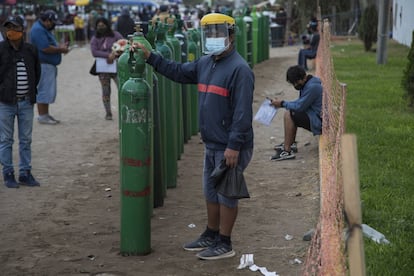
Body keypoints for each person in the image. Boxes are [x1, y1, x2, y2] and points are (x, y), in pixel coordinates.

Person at [132, 13, 254, 260]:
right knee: (210, 191)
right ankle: (211, 233)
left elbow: (242, 113)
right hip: (211, 143)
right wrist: (152, 58)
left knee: (227, 194)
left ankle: (225, 242)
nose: (213, 38)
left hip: (229, 146)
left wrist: (234, 146)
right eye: (209, 33)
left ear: (231, 36)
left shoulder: (240, 69)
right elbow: (178, 72)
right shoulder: (206, 63)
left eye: (217, 33)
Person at [0, 16, 41, 188]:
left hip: (26, 102)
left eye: (15, 28)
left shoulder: (30, 50)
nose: (11, 32)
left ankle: (25, 173)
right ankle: (8, 173)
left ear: (22, 30)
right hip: (5, 102)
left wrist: (30, 91)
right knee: (6, 140)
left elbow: (36, 73)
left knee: (26, 140)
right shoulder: (1, 49)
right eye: (8, 28)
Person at [269, 65, 322, 161]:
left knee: (289, 114)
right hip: (314, 115)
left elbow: (299, 106)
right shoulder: (308, 84)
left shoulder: (312, 87)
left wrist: (282, 103)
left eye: (296, 82)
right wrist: (283, 103)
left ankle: (287, 150)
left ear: (303, 78)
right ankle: (290, 143)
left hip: (319, 121)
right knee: (291, 112)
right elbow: (299, 103)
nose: (295, 86)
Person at [30, 10, 69, 125]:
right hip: (44, 64)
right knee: (43, 89)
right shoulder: (38, 30)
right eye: (52, 22)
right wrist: (60, 49)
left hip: (48, 64)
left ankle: (45, 114)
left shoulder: (42, 29)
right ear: (47, 21)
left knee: (47, 90)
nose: (53, 25)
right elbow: (45, 48)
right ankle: (42, 116)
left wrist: (59, 47)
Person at [90, 17, 123, 120]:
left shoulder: (116, 35)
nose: (101, 28)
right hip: (103, 69)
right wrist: (108, 55)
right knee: (106, 91)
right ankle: (108, 113)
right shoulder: (95, 38)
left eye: (103, 25)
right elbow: (94, 52)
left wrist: (115, 54)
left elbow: (124, 45)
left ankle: (124, 110)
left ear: (107, 25)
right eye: (99, 26)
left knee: (122, 89)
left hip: (117, 67)